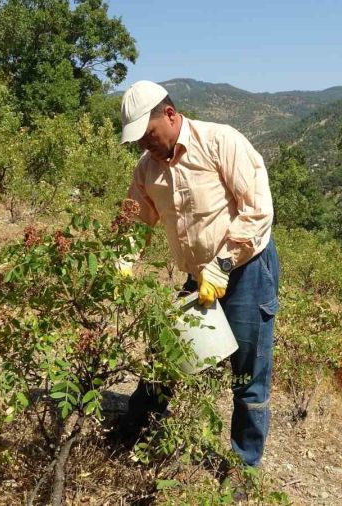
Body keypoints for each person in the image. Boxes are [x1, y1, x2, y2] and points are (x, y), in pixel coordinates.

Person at [116, 80, 279, 468]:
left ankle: (243, 467)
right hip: (198, 277)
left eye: (148, 134)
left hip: (246, 270)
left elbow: (257, 210)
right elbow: (135, 221)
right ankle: (131, 432)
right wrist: (121, 261)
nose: (144, 144)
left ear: (169, 115)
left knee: (248, 374)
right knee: (169, 359)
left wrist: (221, 265)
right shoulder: (147, 168)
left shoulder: (221, 142)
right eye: (136, 139)